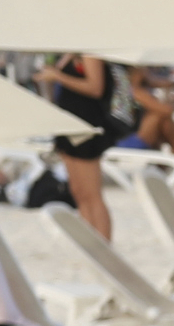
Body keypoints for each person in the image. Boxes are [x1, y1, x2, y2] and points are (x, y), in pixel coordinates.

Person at [37, 49, 126, 234]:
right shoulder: (69, 52)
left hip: (86, 126)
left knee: (91, 194)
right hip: (70, 126)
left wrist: (58, 76)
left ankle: (104, 246)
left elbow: (95, 87)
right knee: (79, 191)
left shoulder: (89, 51)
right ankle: (91, 241)